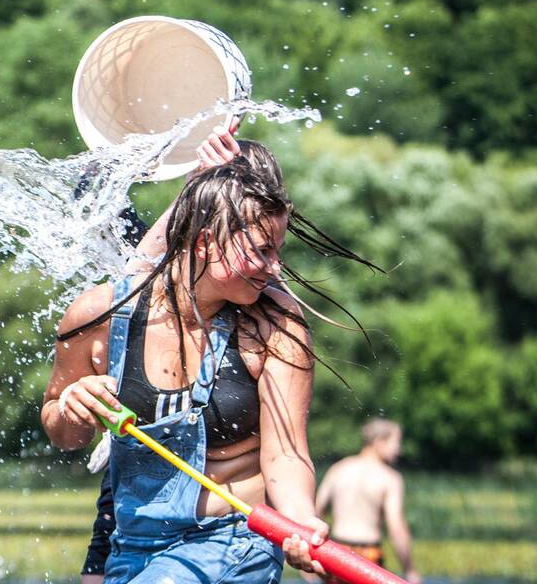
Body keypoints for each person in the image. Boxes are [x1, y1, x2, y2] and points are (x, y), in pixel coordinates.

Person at [44, 147, 332, 583]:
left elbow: (285, 457)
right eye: (262, 251)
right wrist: (70, 407)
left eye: (279, 250)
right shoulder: (99, 315)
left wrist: (301, 520)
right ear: (204, 243)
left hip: (233, 544)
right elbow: (62, 434)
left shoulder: (276, 323)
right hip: (132, 549)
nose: (275, 269)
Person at [313, 418, 422, 584]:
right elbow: (396, 528)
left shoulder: (338, 469)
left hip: (336, 554)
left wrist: (311, 555)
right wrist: (409, 569)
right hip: (369, 556)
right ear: (379, 441)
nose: (398, 450)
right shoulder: (390, 478)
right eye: (396, 442)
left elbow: (315, 513)